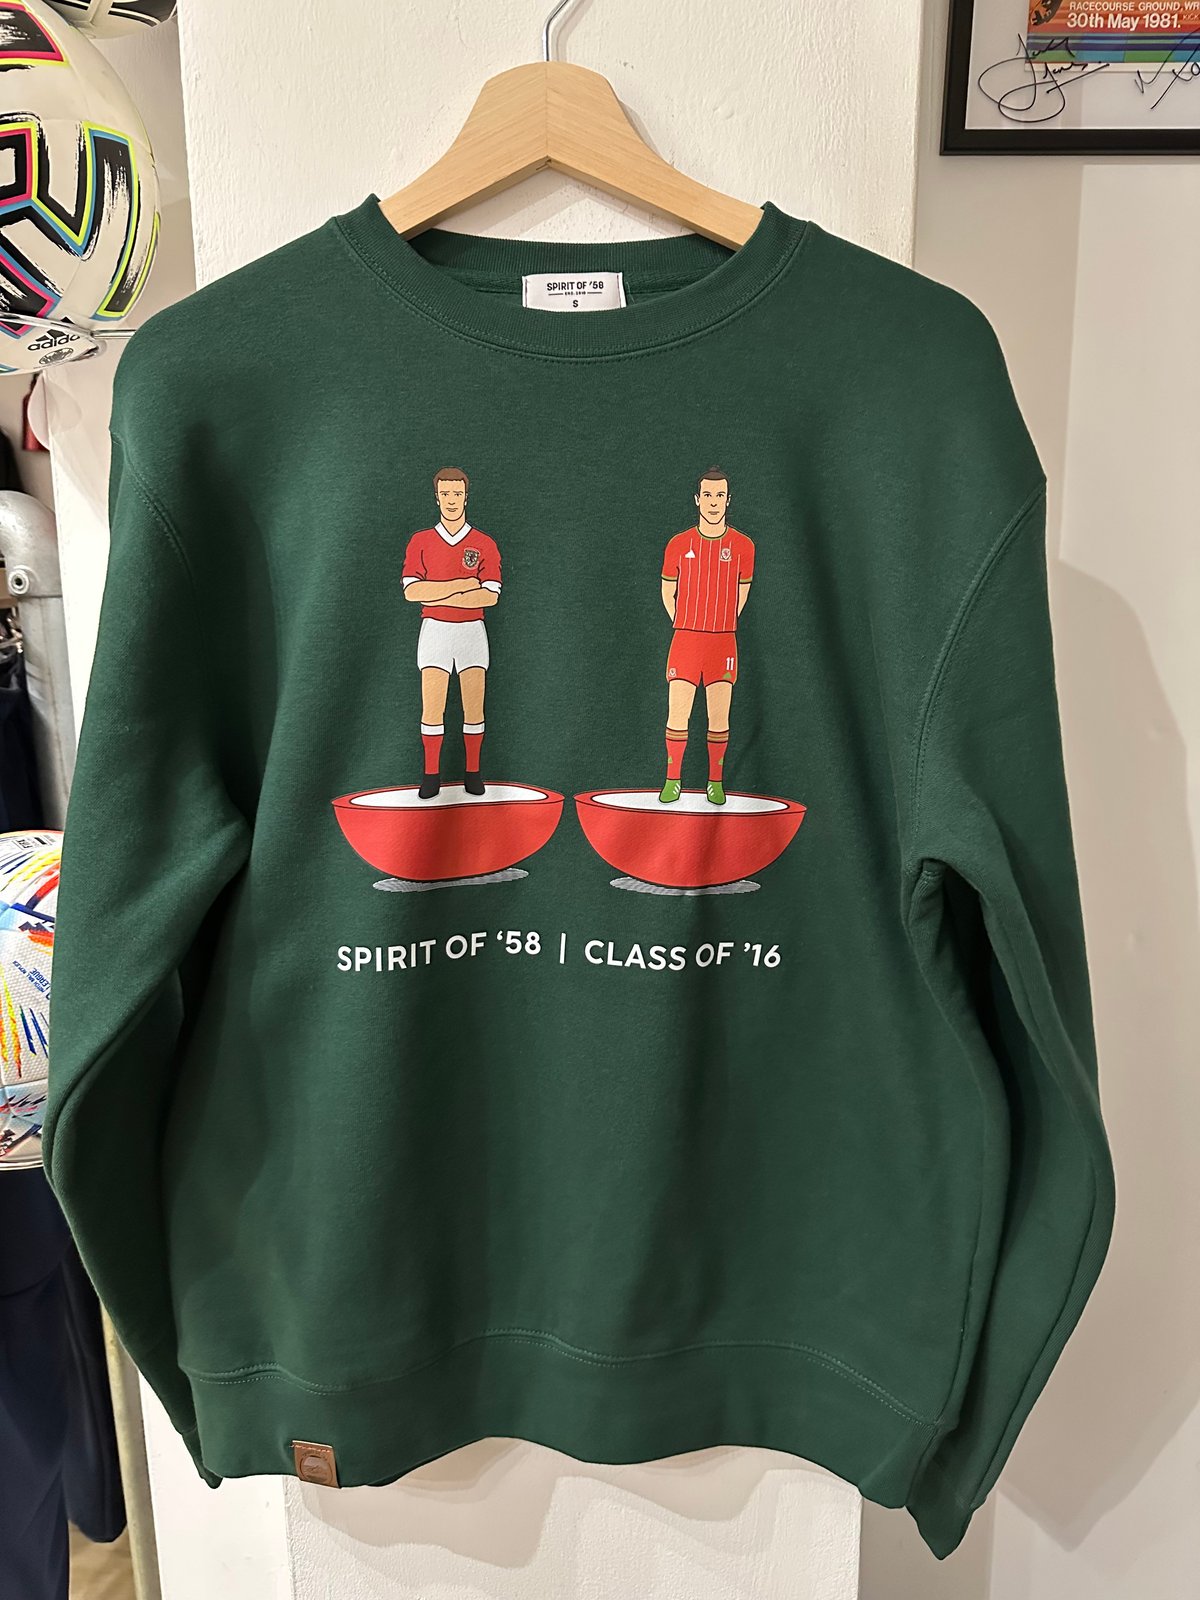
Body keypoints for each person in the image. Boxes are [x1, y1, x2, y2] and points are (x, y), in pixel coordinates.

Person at [401, 467, 502, 799]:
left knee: (474, 708)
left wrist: (436, 593)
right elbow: (412, 591)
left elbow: (489, 595)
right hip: (435, 631)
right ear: (437, 497)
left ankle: (472, 772)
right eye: (445, 494)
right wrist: (461, 585)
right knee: (433, 708)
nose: (451, 500)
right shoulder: (421, 541)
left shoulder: (484, 543)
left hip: (472, 631)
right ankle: (432, 775)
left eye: (457, 493)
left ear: (466, 497)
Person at [659, 467, 755, 805]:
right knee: (677, 714)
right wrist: (685, 621)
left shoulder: (743, 546)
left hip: (723, 641)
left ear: (728, 500)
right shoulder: (678, 544)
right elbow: (667, 590)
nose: (713, 502)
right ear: (697, 499)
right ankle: (673, 780)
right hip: (686, 639)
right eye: (708, 495)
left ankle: (715, 781)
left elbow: (742, 593)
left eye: (720, 495)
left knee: (719, 717)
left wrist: (721, 620)